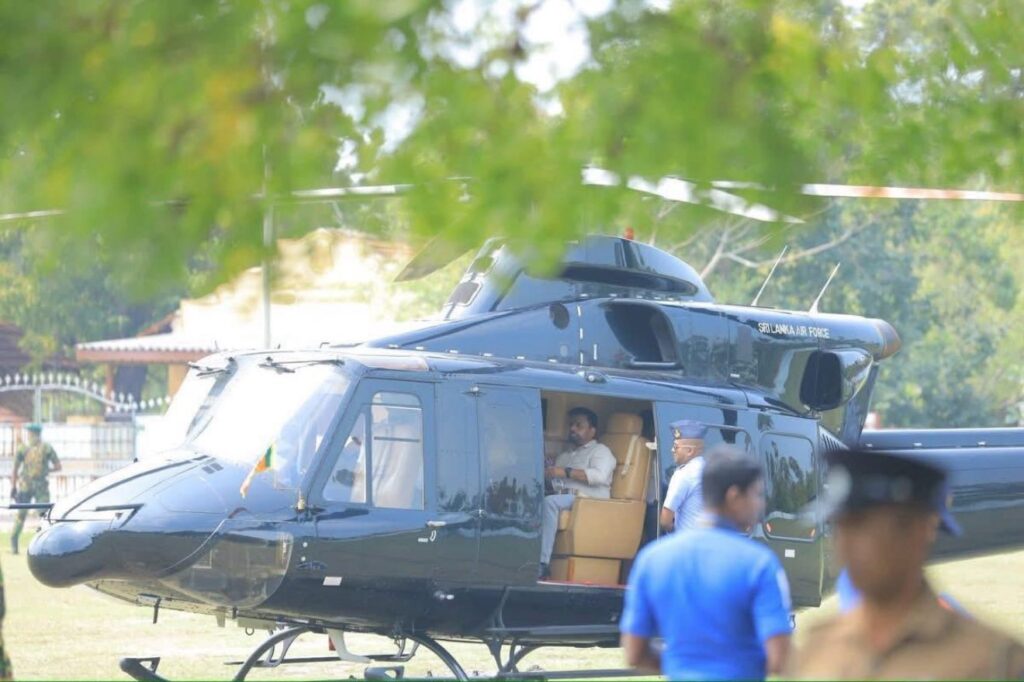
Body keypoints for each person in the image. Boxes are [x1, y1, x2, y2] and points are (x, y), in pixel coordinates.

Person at [788, 448, 1024, 679]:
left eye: (861, 526)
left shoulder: (992, 661)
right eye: (839, 528)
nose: (844, 545)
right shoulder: (817, 649)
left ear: (919, 531)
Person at [621, 446, 792, 680]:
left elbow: (634, 653)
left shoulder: (651, 559)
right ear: (734, 497)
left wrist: (682, 665)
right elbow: (780, 656)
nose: (760, 505)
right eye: (757, 494)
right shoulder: (759, 563)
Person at [538, 407, 617, 579]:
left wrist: (566, 472)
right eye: (571, 425)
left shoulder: (601, 451)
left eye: (578, 425)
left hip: (591, 500)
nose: (572, 429)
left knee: (550, 502)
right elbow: (556, 483)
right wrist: (547, 474)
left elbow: (599, 476)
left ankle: (542, 563)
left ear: (592, 430)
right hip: (568, 498)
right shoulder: (565, 456)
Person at [11, 422, 61, 555]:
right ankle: (46, 544)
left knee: (21, 515)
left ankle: (14, 543)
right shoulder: (46, 448)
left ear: (30, 434)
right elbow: (58, 466)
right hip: (41, 487)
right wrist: (45, 470)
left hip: (25, 486)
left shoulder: (22, 448)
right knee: (44, 516)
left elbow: (15, 469)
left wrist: (13, 487)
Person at [660, 419, 706, 532]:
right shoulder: (710, 470)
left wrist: (672, 532)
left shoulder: (684, 474)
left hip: (688, 539)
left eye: (676, 447)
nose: (672, 450)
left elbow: (665, 520)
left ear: (689, 451)